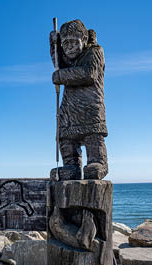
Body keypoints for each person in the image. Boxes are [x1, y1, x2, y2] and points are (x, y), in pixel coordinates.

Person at [50, 19, 108, 180]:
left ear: (83, 40)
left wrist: (61, 76)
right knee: (66, 136)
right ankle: (71, 165)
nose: (69, 47)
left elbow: (88, 74)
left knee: (92, 135)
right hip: (69, 107)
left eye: (73, 42)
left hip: (90, 105)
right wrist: (53, 46)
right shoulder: (69, 58)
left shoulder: (95, 51)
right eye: (65, 43)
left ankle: (98, 162)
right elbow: (59, 65)